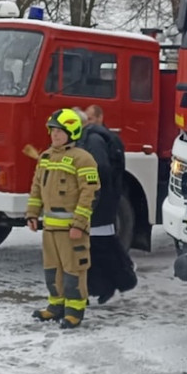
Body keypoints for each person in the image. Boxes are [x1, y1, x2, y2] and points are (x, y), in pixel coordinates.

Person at [26, 108, 101, 329]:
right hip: (50, 228)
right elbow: (37, 188)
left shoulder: (83, 159)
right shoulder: (46, 157)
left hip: (72, 230)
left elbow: (90, 193)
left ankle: (74, 311)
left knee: (73, 271)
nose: (55, 136)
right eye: (52, 131)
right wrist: (32, 213)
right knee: (52, 270)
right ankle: (55, 307)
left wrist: (79, 224)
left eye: (60, 132)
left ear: (72, 132)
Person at [78, 105, 138, 304]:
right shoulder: (97, 137)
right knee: (99, 245)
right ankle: (109, 283)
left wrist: (86, 185)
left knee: (99, 245)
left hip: (99, 201)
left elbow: (101, 169)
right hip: (104, 199)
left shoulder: (93, 140)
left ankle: (116, 281)